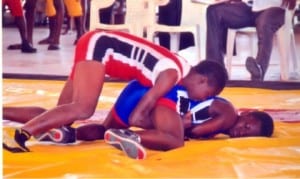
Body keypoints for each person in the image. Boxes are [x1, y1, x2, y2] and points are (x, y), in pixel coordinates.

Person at [2, 29, 228, 154]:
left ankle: (4, 112)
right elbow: (136, 116)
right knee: (84, 109)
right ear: (202, 80)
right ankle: (22, 135)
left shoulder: (177, 66)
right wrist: (164, 128)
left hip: (97, 43)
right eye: (207, 93)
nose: (204, 99)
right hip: (101, 47)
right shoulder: (172, 75)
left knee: (62, 113)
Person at [3, 79, 273, 159]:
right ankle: (130, 137)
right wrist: (190, 129)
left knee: (101, 127)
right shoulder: (228, 114)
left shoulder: (209, 100)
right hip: (159, 99)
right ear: (246, 114)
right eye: (248, 126)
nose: (242, 132)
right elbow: (198, 131)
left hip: (138, 90)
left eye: (249, 134)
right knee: (175, 139)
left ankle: (67, 134)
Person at [206, 0, 297, 81]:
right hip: (251, 7)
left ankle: (259, 68)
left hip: (275, 8)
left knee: (264, 23)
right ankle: (215, 70)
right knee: (214, 11)